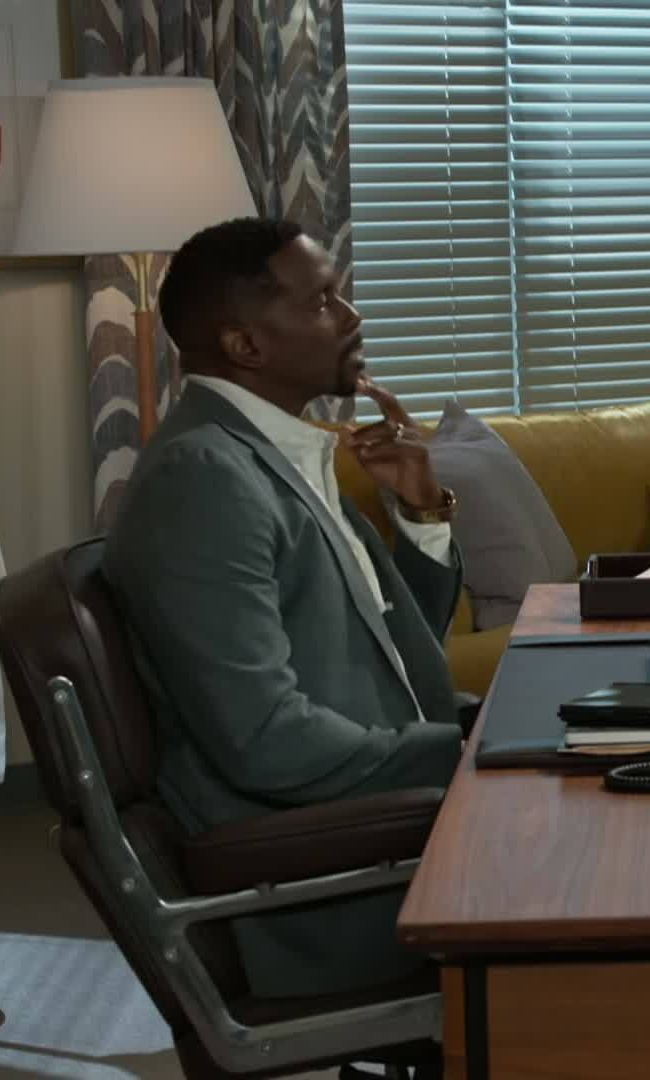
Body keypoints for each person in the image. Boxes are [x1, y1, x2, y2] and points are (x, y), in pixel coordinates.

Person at [103, 217, 464, 1000]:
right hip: (336, 883)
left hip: (395, 824)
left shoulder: (268, 453)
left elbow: (398, 656)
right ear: (246, 345)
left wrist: (421, 511)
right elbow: (265, 740)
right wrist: (471, 754)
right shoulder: (205, 478)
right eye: (323, 301)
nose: (352, 316)